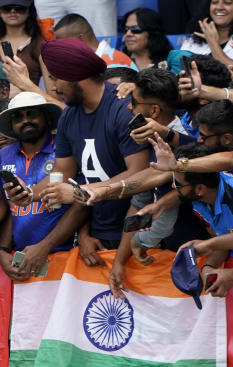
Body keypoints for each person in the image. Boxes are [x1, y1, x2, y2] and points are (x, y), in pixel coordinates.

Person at [35, 37, 149, 267]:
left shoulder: (123, 107)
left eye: (57, 79)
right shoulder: (68, 115)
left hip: (138, 236)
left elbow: (141, 173)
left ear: (76, 75)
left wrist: (82, 192)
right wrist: (29, 193)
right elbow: (62, 173)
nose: (54, 88)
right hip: (97, 235)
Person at [0, 92, 77, 280]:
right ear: (12, 125)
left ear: (46, 117)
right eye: (18, 117)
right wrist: (3, 250)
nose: (25, 121)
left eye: (31, 114)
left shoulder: (64, 150)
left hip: (66, 255)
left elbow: (82, 204)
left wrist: (44, 246)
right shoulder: (3, 156)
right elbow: (9, 207)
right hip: (24, 260)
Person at [173, 143, 233, 297]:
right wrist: (208, 267)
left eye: (178, 184)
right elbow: (225, 240)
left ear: (199, 189)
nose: (173, 186)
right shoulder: (199, 200)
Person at [0, 0, 51, 91]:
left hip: (30, 102)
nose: (12, 11)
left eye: (19, 8)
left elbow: (52, 89)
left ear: (29, 11)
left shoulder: (41, 45)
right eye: (6, 8)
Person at [181, 0, 233, 69]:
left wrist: (213, 43)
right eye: (214, 2)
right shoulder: (193, 40)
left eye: (227, 2)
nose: (219, 7)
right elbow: (179, 70)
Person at [52, 13, 135, 69]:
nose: (62, 49)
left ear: (81, 38)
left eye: (64, 44)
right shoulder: (79, 63)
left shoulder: (114, 61)